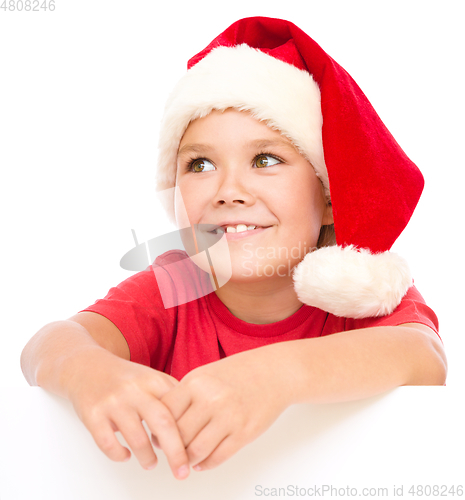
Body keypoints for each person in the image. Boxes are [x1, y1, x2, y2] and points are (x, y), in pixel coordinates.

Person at [20, 17, 447, 482]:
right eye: (200, 164)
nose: (228, 191)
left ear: (328, 197)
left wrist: (276, 375)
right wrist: (91, 373)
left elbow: (424, 357)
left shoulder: (359, 290)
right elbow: (47, 345)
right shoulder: (178, 283)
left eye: (266, 160)